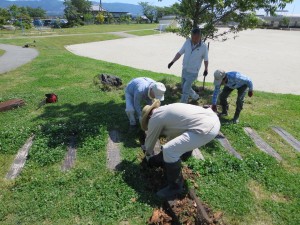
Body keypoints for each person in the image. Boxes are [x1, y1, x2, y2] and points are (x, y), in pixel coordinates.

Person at [140, 100, 220, 199]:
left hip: (206, 129)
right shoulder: (166, 110)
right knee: (175, 146)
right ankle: (184, 154)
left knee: (169, 150)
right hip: (212, 119)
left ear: (148, 117)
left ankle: (175, 187)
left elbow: (149, 143)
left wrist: (148, 156)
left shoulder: (155, 118)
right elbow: (176, 134)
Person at [167, 27, 209, 103]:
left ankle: (182, 105)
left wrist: (206, 69)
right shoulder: (187, 42)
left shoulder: (204, 46)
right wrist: (172, 62)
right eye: (192, 36)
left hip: (193, 72)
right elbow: (180, 53)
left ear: (200, 37)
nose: (193, 39)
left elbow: (206, 59)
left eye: (196, 37)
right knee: (184, 86)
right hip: (185, 69)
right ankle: (195, 96)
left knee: (185, 89)